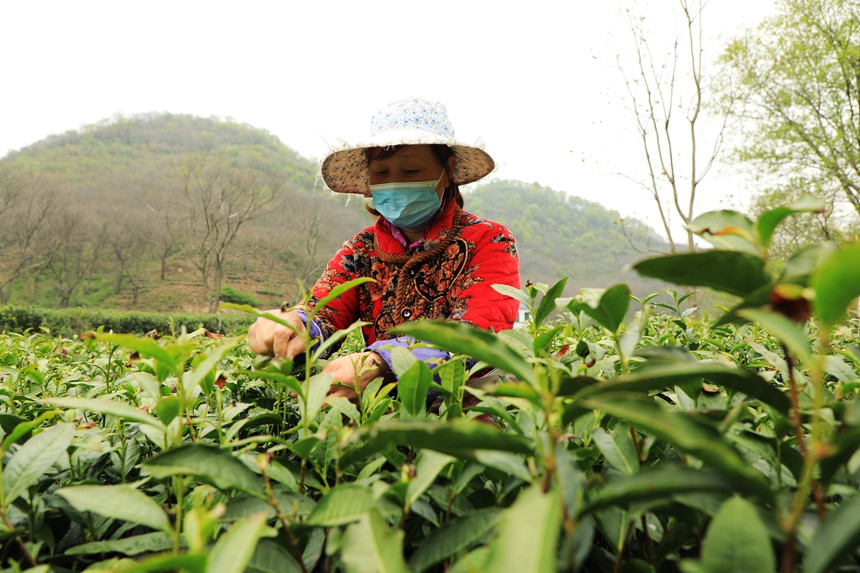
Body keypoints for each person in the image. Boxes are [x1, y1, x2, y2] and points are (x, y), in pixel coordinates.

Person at [248, 97, 520, 399]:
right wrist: (292, 325)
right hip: (379, 405)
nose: (394, 183)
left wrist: (382, 362)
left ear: (448, 170)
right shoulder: (362, 250)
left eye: (411, 171)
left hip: (463, 404)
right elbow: (324, 311)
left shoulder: (488, 239)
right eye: (381, 173)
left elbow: (479, 332)